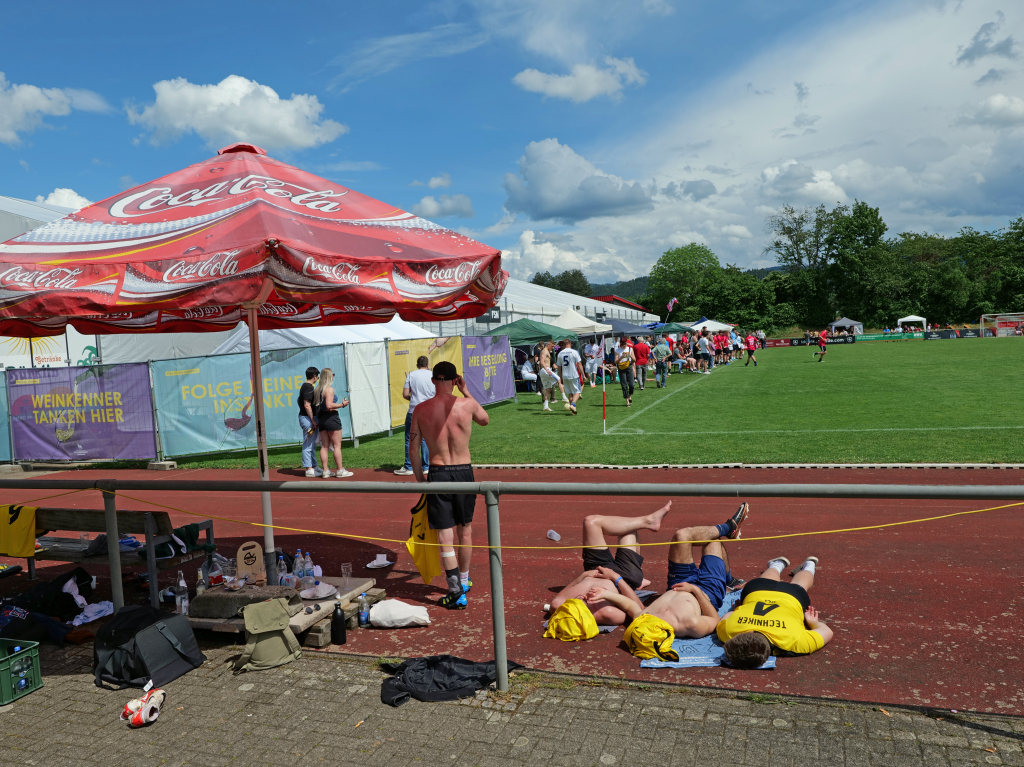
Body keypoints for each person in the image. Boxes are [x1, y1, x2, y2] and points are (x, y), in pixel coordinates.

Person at [592, 504, 751, 659]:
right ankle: (728, 577)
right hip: (705, 593)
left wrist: (606, 592)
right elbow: (715, 620)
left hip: (679, 582)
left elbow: (631, 606)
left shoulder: (645, 618)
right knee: (713, 540)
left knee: (681, 536)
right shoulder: (689, 624)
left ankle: (728, 529)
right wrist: (695, 591)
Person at [409, 361, 490, 609]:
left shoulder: (421, 409)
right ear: (455, 380)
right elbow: (485, 420)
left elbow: (413, 448)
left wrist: (420, 479)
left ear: (433, 380)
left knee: (445, 535)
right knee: (464, 530)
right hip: (464, 471)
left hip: (438, 471)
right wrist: (465, 391)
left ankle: (456, 590)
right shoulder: (467, 404)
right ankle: (463, 581)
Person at [543, 503, 671, 640]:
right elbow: (639, 610)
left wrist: (583, 576)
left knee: (590, 522)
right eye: (583, 605)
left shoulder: (559, 605)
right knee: (628, 531)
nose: (581, 597)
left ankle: (648, 521)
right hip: (623, 575)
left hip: (595, 568)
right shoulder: (607, 613)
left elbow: (558, 599)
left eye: (576, 602)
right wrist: (615, 578)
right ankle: (648, 522)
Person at [716, 555, 833, 668]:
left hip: (793, 595)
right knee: (766, 580)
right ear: (749, 632)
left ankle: (809, 565)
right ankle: (777, 565)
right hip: (756, 590)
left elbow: (827, 631)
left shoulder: (795, 642)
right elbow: (728, 615)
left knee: (801, 585)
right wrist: (737, 610)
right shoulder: (726, 632)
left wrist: (813, 623)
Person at [395, 356, 434, 476]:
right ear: (428, 365)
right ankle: (426, 466)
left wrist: (414, 398)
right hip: (429, 410)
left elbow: (405, 394)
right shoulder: (433, 375)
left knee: (410, 439)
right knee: (425, 439)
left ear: (417, 365)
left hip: (414, 410)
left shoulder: (411, 375)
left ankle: (409, 466)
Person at [313, 368, 353, 478]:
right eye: (332, 374)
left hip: (322, 419)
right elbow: (329, 405)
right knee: (337, 446)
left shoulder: (317, 390)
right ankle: (340, 470)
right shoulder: (329, 389)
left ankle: (325, 471)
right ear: (329, 376)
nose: (333, 376)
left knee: (324, 446)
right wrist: (342, 404)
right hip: (331, 418)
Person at [298, 366, 322, 478]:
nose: (317, 379)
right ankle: (308, 469)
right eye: (317, 377)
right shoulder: (308, 387)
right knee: (308, 443)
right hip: (307, 419)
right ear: (314, 376)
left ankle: (313, 465)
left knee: (312, 444)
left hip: (307, 418)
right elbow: (307, 405)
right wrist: (313, 420)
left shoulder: (307, 386)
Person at [556, 338, 584, 415]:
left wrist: (560, 377)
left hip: (565, 375)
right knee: (578, 391)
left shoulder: (560, 353)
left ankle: (573, 411)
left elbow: (559, 367)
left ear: (564, 345)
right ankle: (573, 404)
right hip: (573, 375)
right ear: (570, 343)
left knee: (570, 393)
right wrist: (583, 375)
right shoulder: (574, 352)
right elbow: (579, 364)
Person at [538, 340, 565, 413]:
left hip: (544, 371)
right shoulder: (545, 351)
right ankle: (564, 397)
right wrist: (547, 370)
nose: (553, 348)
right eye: (552, 346)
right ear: (548, 344)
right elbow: (541, 362)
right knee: (559, 379)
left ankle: (546, 406)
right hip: (545, 370)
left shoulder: (547, 351)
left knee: (548, 389)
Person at [614, 336, 635, 406]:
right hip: (621, 367)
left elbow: (634, 360)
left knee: (632, 384)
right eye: (623, 344)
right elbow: (616, 362)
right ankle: (627, 401)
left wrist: (630, 356)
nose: (624, 346)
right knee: (624, 385)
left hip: (629, 366)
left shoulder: (630, 349)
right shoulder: (617, 350)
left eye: (625, 344)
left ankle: (629, 395)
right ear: (620, 344)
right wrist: (621, 357)